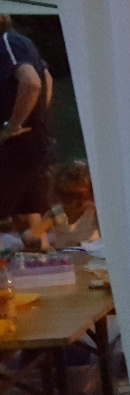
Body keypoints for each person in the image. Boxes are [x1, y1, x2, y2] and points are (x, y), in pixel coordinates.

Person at [1, 15, 55, 234]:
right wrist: (37, 115)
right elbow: (46, 77)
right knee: (27, 212)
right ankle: (39, 250)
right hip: (34, 140)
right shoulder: (22, 42)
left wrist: (12, 126)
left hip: (16, 143)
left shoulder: (7, 41)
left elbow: (32, 82)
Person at [28, 160, 100, 249]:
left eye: (80, 197)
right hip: (67, 256)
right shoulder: (58, 214)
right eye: (68, 197)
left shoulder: (93, 213)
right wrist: (31, 236)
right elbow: (32, 233)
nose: (73, 202)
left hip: (92, 255)